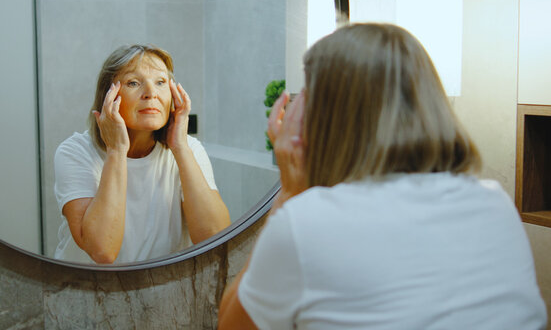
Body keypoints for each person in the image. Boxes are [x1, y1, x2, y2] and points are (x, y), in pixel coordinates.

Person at [218, 23, 547, 329]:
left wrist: (290, 194)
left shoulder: (307, 223)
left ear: (322, 119)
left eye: (307, 96)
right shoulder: (494, 203)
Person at [54, 44, 230, 264]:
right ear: (108, 95)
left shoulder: (190, 149)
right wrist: (117, 150)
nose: (151, 94)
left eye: (160, 82)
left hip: (163, 289)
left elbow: (215, 238)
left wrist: (181, 148)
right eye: (133, 83)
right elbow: (102, 251)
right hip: (89, 291)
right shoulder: (75, 152)